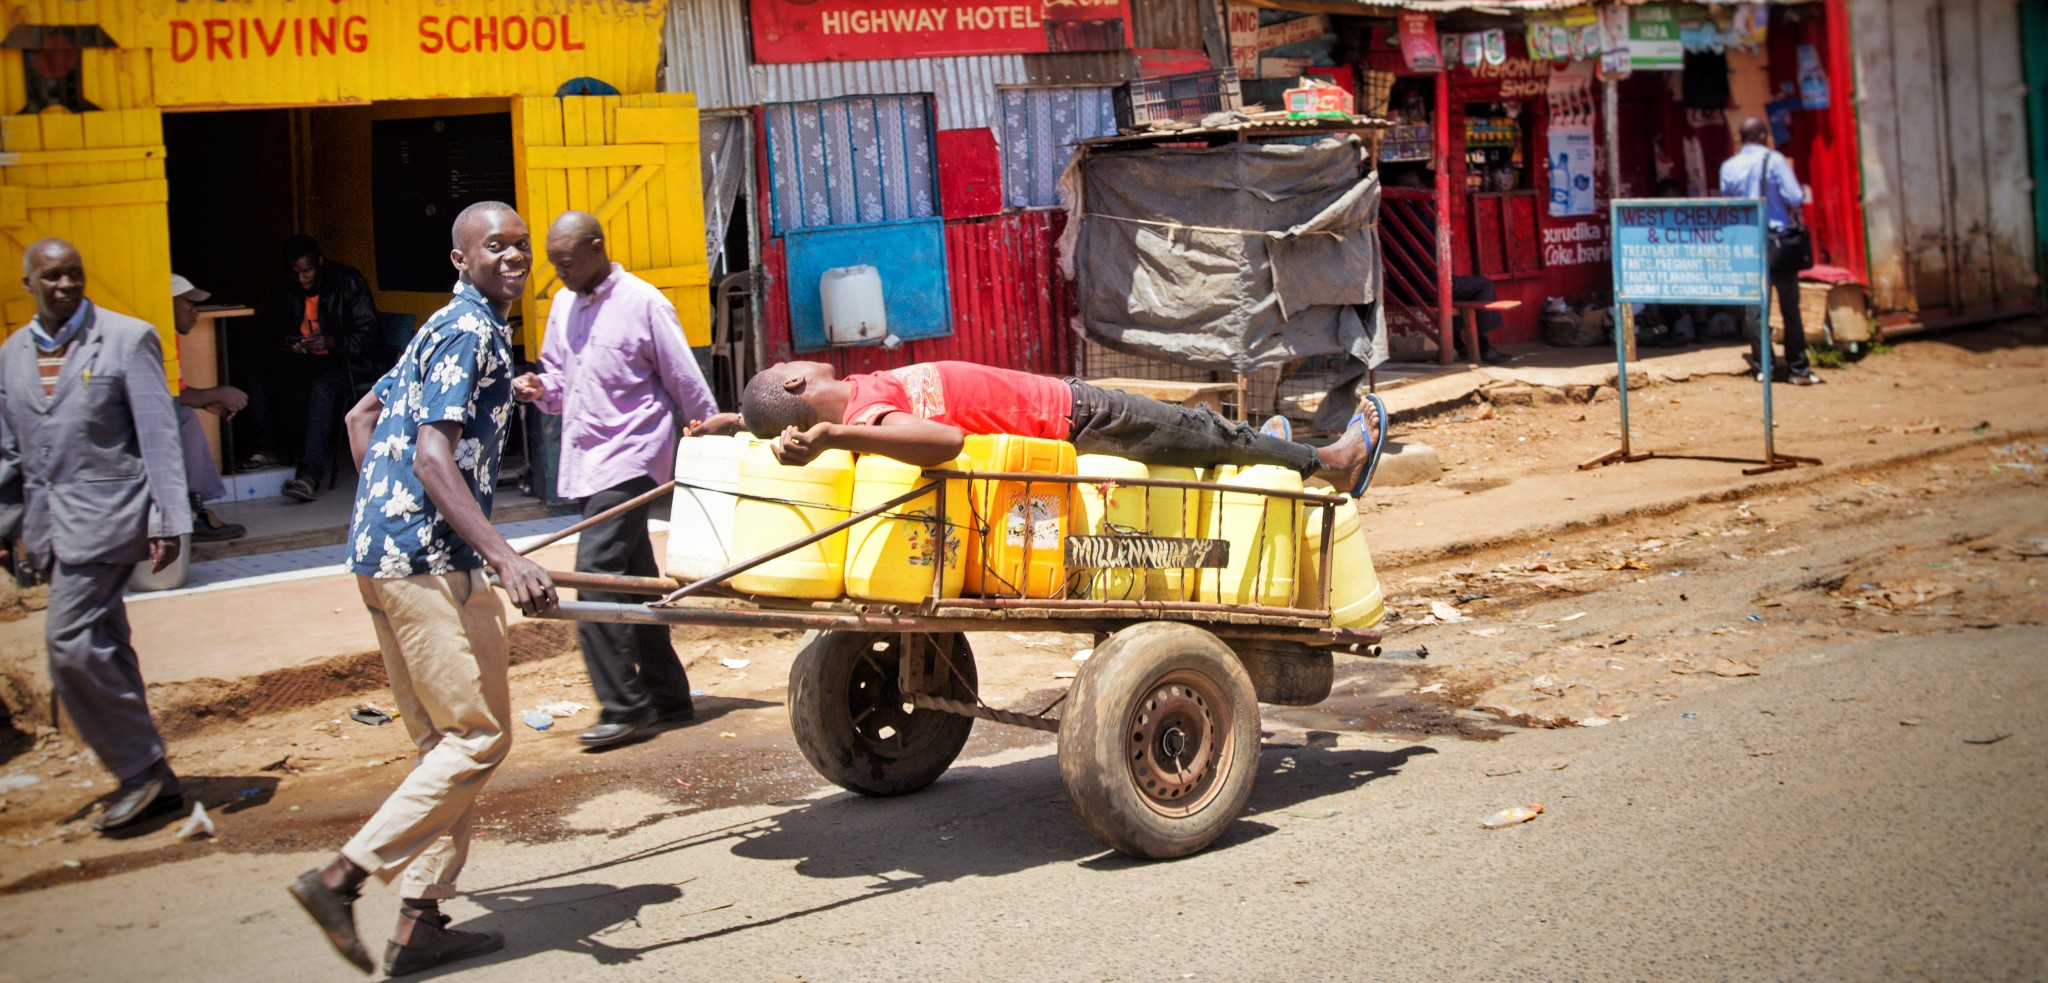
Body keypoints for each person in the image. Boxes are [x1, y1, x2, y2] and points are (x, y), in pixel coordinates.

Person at [288, 202, 557, 978]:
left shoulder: (441, 330)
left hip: (382, 556)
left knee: (442, 744)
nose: (511, 254)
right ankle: (340, 878)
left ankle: (421, 921)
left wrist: (388, 502)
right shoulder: (473, 332)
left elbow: (361, 415)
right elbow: (436, 456)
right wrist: (500, 553)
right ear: (459, 258)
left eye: (518, 243)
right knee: (479, 737)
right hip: (432, 563)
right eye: (492, 245)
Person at [0, 239, 189, 833]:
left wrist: (168, 518)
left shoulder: (127, 339)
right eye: (52, 277)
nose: (65, 285)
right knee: (105, 640)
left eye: (75, 274)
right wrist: (7, 527)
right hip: (49, 525)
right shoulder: (12, 354)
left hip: (111, 516)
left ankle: (140, 769)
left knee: (68, 643)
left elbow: (159, 436)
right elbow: (9, 447)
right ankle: (160, 785)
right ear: (30, 283)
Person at [512, 211, 717, 752]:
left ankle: (623, 707)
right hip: (588, 459)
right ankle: (668, 697)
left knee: (594, 576)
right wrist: (538, 386)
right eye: (553, 265)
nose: (558, 274)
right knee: (632, 580)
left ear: (597, 249)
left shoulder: (645, 302)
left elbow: (684, 379)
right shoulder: (562, 305)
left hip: (633, 457)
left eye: (566, 262)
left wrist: (713, 439)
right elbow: (559, 378)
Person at [731, 359, 1383, 495]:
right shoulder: (863, 418)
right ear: (794, 383)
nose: (797, 355)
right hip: (1066, 418)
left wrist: (731, 423)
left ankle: (1274, 448)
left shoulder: (862, 397)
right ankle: (1330, 460)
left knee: (1199, 437)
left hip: (1061, 401)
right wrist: (832, 437)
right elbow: (947, 442)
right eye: (789, 361)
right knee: (1203, 431)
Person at [251, 235, 378, 502]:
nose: (301, 279)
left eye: (307, 270)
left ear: (320, 263)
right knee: (259, 369)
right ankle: (267, 448)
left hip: (348, 365)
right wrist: (287, 344)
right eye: (295, 272)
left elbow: (368, 336)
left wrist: (332, 341)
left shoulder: (348, 282)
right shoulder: (285, 288)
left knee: (321, 386)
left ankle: (308, 477)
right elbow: (270, 331)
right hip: (305, 362)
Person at [1719, 116, 1821, 386]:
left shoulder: (1729, 166)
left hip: (1745, 242)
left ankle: (1764, 368)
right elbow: (1795, 197)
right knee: (1789, 307)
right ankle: (1798, 368)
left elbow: (1729, 202)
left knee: (1755, 308)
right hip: (1777, 242)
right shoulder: (1774, 160)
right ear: (1764, 135)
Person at [169, 274, 247, 543]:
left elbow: (174, 393)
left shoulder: (169, 335)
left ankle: (194, 509)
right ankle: (192, 513)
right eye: (187, 303)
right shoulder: (154, 336)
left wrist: (207, 400)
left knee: (185, 415)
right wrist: (217, 394)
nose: (194, 311)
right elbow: (166, 397)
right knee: (184, 418)